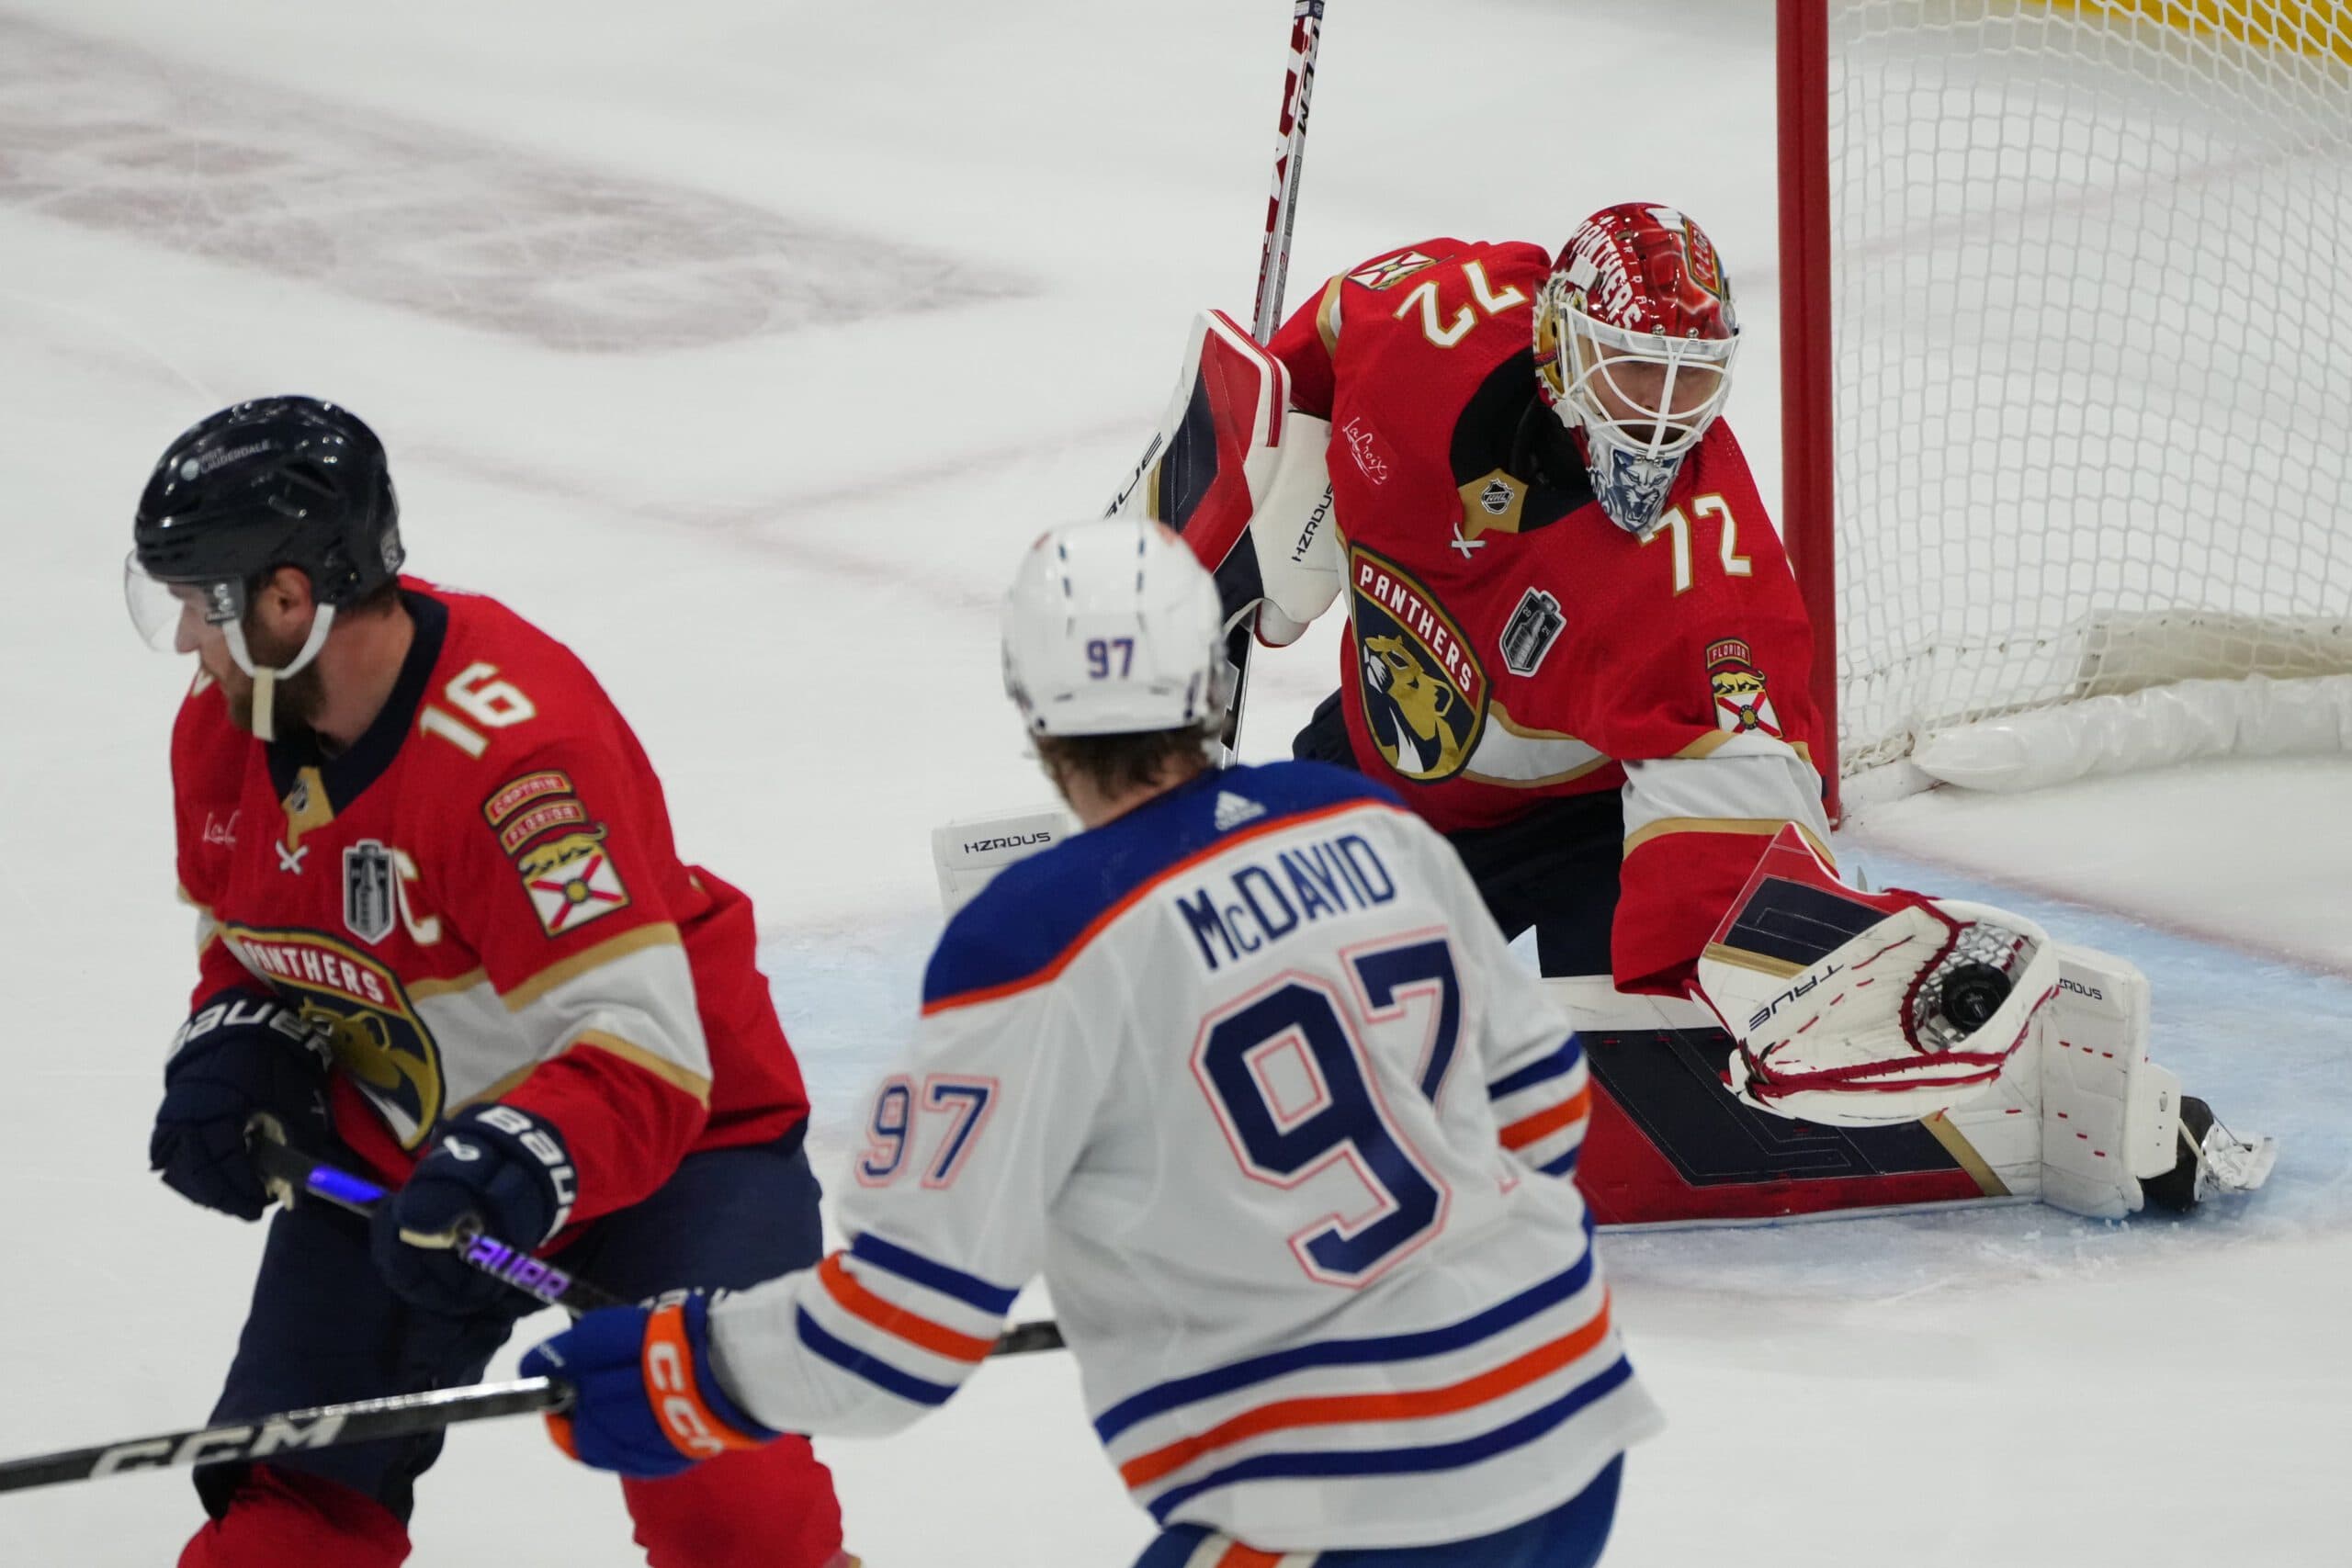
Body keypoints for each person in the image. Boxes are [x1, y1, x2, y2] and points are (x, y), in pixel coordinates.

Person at [522, 518, 1662, 1568]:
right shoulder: (1359, 815)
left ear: (1032, 708)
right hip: (1566, 1410)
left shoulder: (1032, 939)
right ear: (1207, 678)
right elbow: (1543, 1101)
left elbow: (900, 1334)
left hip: (1349, 1496)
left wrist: (678, 1369)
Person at [1134, 202, 2267, 1222]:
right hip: (1392, 766)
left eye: (1692, 381)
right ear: (1558, 340)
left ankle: (2014, 1075)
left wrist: (1783, 975)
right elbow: (1304, 359)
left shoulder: (1708, 588)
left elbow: (1739, 838)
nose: (1662, 416)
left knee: (1649, 1052)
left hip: (1588, 829)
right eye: (1635, 371)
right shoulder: (1432, 319)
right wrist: (1248, 492)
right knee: (1226, 986)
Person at [129, 397, 851, 1567]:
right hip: (402, 1164)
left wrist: (510, 1168)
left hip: (675, 1145)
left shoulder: (520, 759)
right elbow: (252, 941)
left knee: (734, 1516)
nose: (183, 645)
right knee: (284, 1534)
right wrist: (238, 1042)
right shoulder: (224, 731)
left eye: (199, 605)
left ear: (288, 600)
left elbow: (645, 1050)